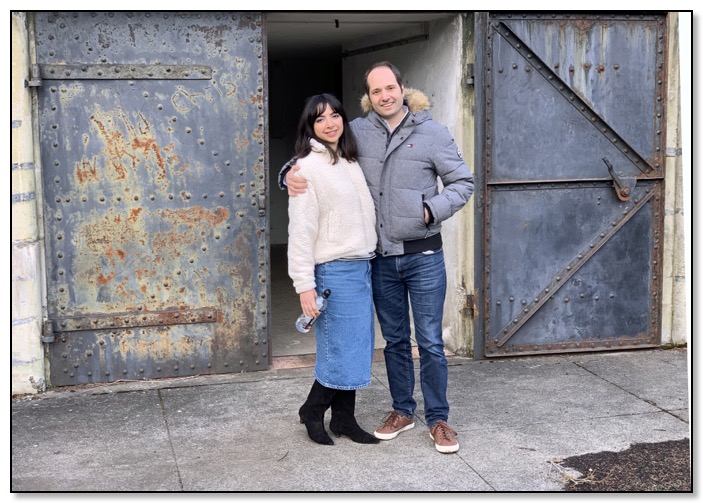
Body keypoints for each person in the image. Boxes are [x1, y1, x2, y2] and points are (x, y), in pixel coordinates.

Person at [280, 62, 474, 454]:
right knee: (396, 341)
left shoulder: (432, 133)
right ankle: (402, 410)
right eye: (376, 91)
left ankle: (438, 420)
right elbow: (318, 152)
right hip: (380, 261)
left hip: (423, 255)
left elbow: (463, 182)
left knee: (431, 342)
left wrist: (429, 210)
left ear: (403, 88)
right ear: (368, 98)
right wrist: (288, 173)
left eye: (391, 88)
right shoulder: (359, 133)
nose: (385, 96)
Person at [287, 93, 379, 446]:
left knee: (355, 346)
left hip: (360, 268)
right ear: (310, 126)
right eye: (320, 118)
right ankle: (314, 409)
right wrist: (304, 286)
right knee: (341, 348)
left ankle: (343, 419)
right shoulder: (306, 168)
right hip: (333, 273)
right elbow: (301, 232)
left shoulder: (349, 161)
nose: (330, 123)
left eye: (335, 115)